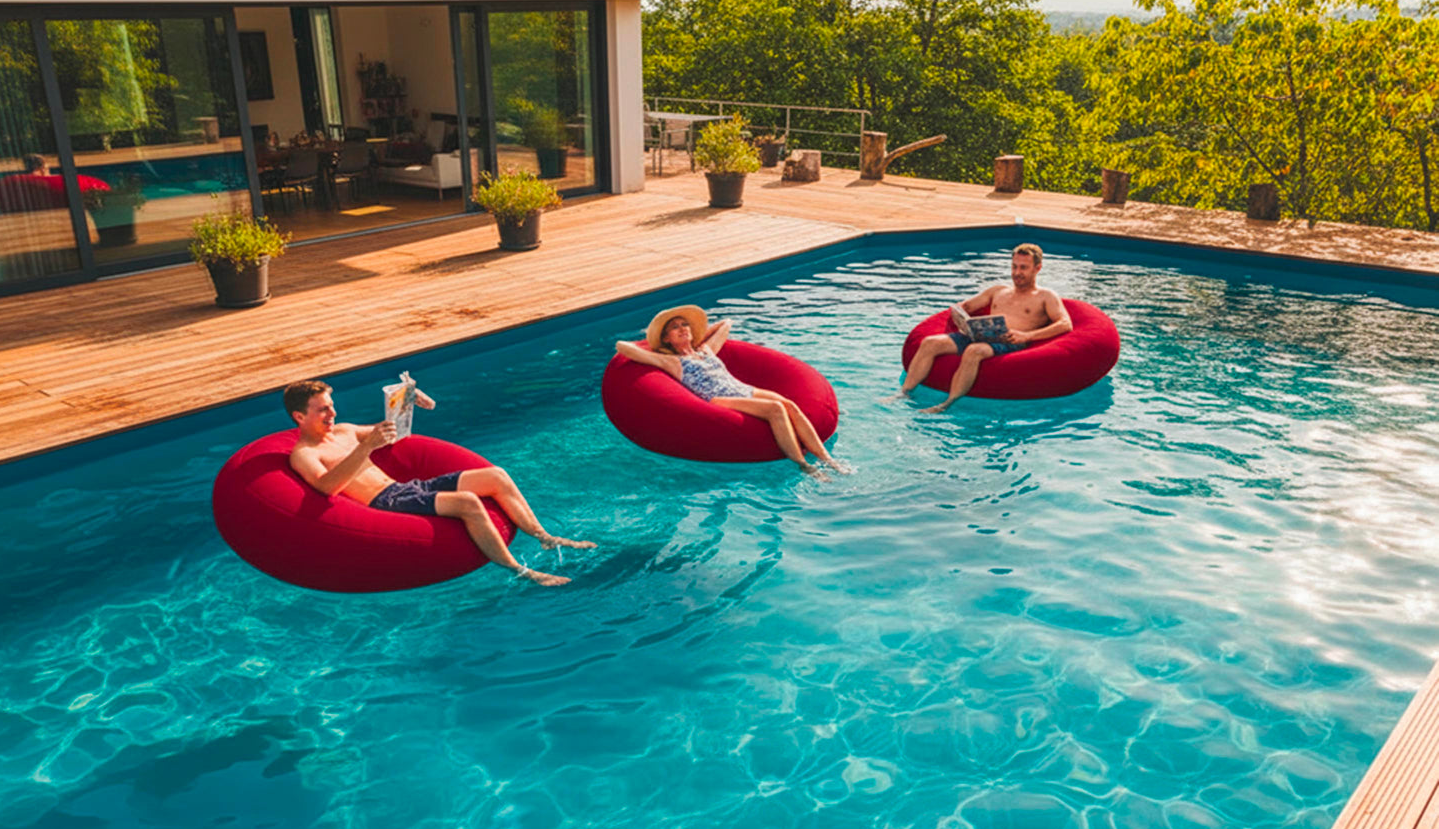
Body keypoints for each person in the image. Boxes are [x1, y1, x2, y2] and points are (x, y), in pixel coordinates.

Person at [282, 379, 594, 587]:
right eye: (323, 409)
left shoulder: (345, 430)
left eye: (331, 405)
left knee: (496, 475)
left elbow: (392, 432)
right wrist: (366, 447)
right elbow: (326, 487)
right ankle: (523, 571)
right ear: (299, 417)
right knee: (468, 503)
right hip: (385, 501)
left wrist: (410, 402)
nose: (332, 413)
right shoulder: (304, 454)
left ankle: (545, 536)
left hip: (407, 488)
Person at [615, 306, 851, 478]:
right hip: (718, 399)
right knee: (775, 409)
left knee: (789, 404)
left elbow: (726, 323)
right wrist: (652, 344)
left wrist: (697, 337)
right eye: (674, 328)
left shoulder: (706, 350)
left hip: (742, 389)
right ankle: (804, 465)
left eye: (684, 325)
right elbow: (623, 347)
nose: (682, 329)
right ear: (666, 338)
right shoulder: (673, 362)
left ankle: (827, 459)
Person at [889, 243, 1073, 413]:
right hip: (980, 334)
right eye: (1014, 266)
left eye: (1023, 268)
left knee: (974, 351)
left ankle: (947, 404)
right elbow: (966, 307)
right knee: (930, 343)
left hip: (1011, 341)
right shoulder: (998, 291)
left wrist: (1027, 336)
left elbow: (1065, 324)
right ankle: (904, 392)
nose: (1017, 272)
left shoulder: (1046, 296)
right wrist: (961, 318)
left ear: (1037, 268)